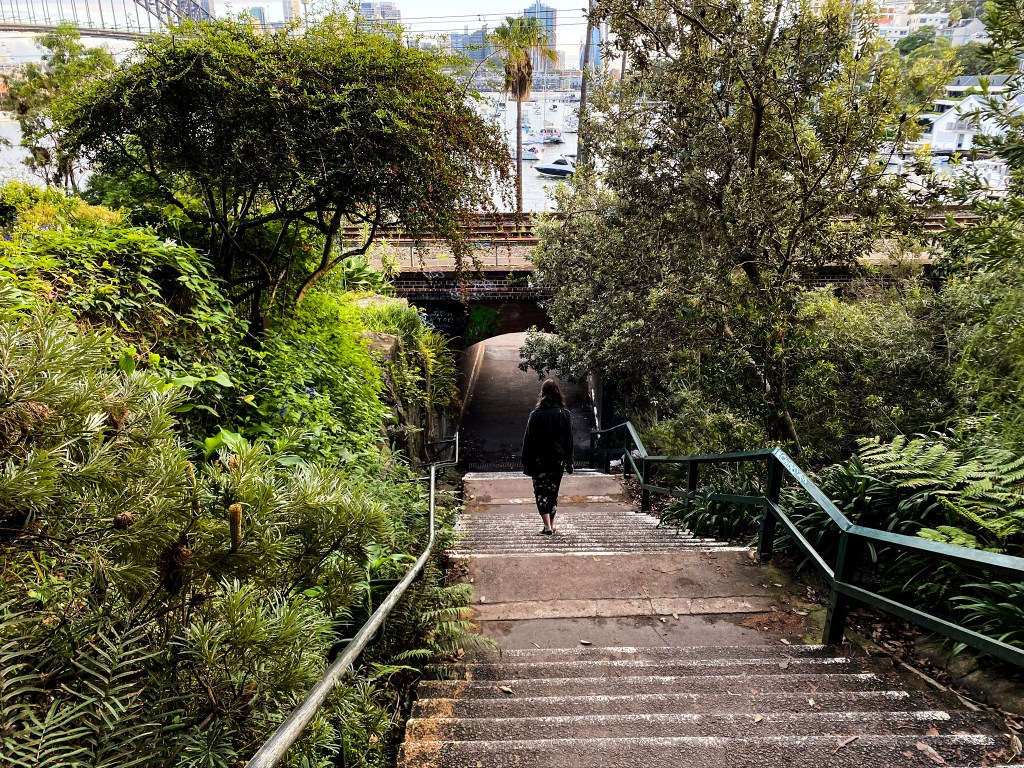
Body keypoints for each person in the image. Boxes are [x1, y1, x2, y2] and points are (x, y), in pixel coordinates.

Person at [521, 379, 574, 535]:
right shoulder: (565, 414)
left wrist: (525, 461)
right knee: (553, 492)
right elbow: (569, 440)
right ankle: (551, 524)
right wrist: (569, 461)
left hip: (539, 461)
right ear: (558, 393)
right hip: (557, 460)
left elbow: (528, 439)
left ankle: (547, 526)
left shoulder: (535, 414)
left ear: (542, 394)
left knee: (540, 492)